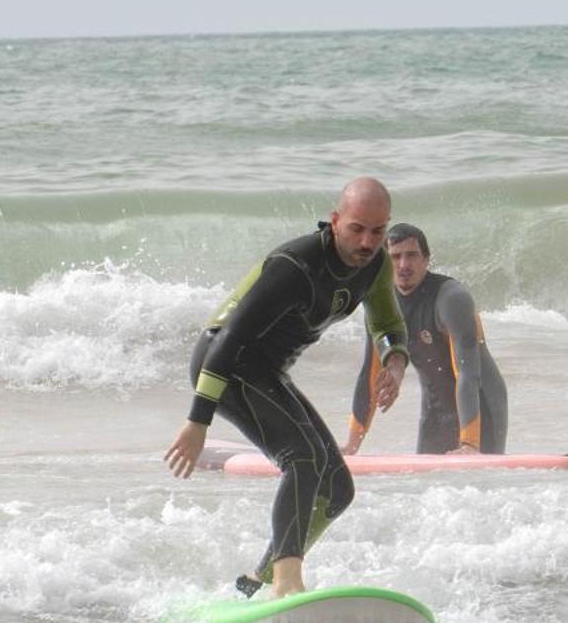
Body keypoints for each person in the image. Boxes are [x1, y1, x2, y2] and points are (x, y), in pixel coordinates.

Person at [163, 178, 411, 598]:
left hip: (267, 371)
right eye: (356, 228)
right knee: (301, 459)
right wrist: (197, 420)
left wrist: (395, 361)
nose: (367, 241)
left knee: (337, 491)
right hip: (225, 364)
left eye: (377, 230)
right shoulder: (294, 265)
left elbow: (387, 325)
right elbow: (228, 340)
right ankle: (288, 581)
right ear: (335, 222)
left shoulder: (375, 265)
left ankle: (255, 584)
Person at [344, 223, 508, 456]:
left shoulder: (452, 299)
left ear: (426, 259)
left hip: (481, 407)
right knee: (426, 485)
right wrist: (352, 445)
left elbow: (467, 373)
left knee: (476, 483)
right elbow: (369, 374)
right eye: (395, 257)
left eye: (412, 255)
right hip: (435, 410)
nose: (403, 265)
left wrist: (470, 444)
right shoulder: (381, 304)